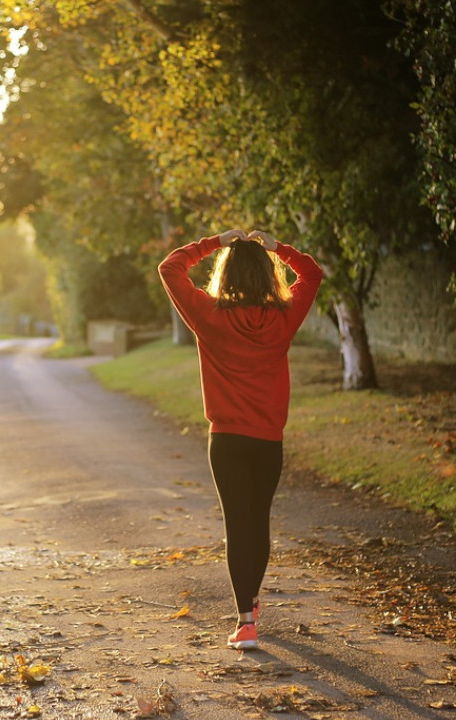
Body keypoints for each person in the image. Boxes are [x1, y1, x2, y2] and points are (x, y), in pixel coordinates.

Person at [158, 227, 323, 650]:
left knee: (237, 524)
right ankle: (249, 603)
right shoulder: (284, 317)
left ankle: (245, 620)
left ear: (225, 275)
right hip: (268, 440)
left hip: (227, 440)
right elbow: (313, 273)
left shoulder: (208, 315)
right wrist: (277, 248)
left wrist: (215, 242)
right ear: (268, 276)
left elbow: (170, 268)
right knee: (259, 521)